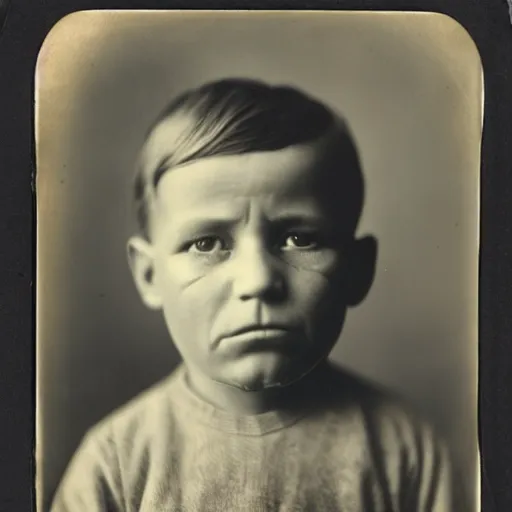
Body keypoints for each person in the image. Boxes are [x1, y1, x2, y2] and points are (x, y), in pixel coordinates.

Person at [50, 78, 452, 511]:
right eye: (207, 244)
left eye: (299, 238)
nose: (258, 280)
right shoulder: (116, 464)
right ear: (150, 275)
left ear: (357, 270)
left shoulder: (405, 451)